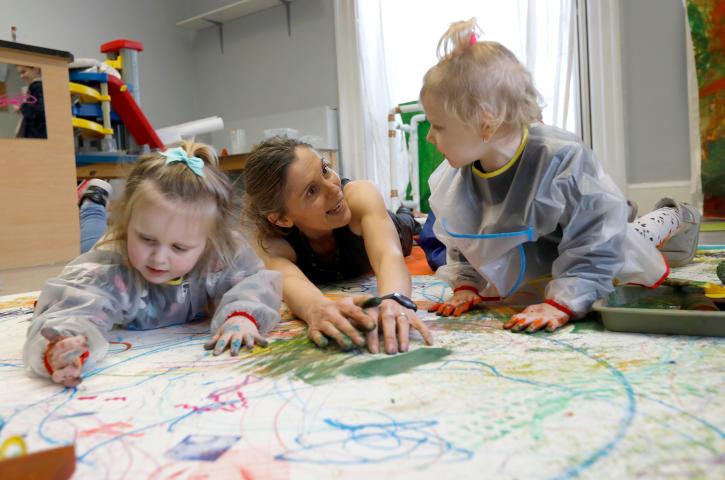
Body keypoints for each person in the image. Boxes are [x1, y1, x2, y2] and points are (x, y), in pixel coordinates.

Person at [421, 18, 701, 332]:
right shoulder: (454, 178)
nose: (430, 137)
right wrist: (466, 285)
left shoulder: (561, 158)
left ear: (487, 122)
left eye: (438, 126)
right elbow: (463, 236)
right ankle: (626, 208)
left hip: (591, 233)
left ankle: (675, 214)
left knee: (631, 237)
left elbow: (599, 239)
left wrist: (564, 301)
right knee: (604, 221)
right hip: (538, 243)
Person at [23, 142, 282, 387]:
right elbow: (74, 306)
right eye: (146, 239)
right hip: (112, 252)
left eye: (179, 247)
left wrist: (243, 315)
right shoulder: (108, 269)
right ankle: (93, 201)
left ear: (209, 241)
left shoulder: (219, 254)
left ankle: (96, 201)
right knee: (90, 242)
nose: (158, 258)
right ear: (126, 225)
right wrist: (64, 344)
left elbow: (253, 281)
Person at [242, 137, 433, 355]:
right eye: (311, 191)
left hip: (397, 232)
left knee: (409, 223)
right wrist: (318, 309)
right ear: (282, 219)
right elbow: (292, 284)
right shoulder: (271, 244)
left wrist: (394, 299)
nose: (333, 188)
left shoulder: (359, 195)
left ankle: (407, 215)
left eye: (324, 170)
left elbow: (387, 255)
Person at [14, 65, 47, 138]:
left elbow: (40, 110)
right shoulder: (36, 87)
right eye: (20, 73)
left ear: (36, 69)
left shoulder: (37, 86)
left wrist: (21, 106)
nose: (21, 76)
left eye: (23, 72)